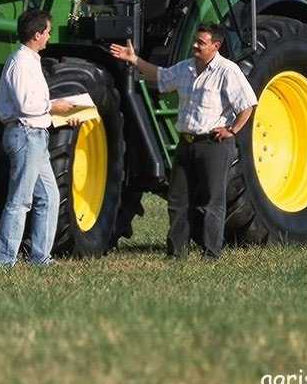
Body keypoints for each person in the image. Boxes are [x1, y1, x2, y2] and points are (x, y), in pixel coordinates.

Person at [109, 24, 257, 259]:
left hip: (214, 145)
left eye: (201, 42)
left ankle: (211, 253)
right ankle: (177, 252)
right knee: (178, 200)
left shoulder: (228, 71)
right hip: (186, 143)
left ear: (215, 46)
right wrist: (134, 59)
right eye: (196, 41)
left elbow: (247, 104)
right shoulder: (186, 67)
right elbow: (161, 76)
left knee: (212, 201)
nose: (195, 45)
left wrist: (232, 130)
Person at [0, 9, 81, 267]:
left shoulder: (31, 60)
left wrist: (62, 114)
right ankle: (4, 260)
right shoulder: (20, 62)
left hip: (37, 135)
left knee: (51, 197)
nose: (49, 36)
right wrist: (55, 107)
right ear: (37, 33)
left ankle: (41, 257)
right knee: (20, 200)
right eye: (48, 31)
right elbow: (25, 104)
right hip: (25, 135)